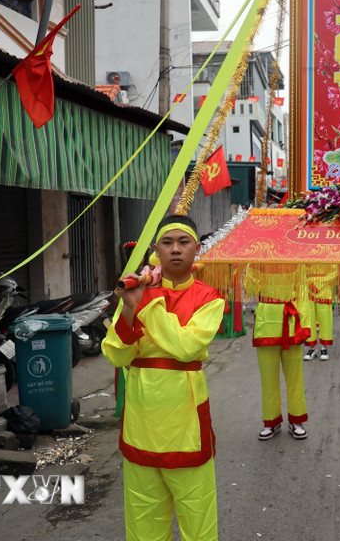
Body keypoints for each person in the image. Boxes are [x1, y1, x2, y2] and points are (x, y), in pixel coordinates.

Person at [103, 215, 226, 541]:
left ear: (196, 249)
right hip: (141, 423)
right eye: (167, 243)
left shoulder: (210, 298)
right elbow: (117, 355)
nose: (175, 249)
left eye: (183, 242)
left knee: (198, 525)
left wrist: (148, 302)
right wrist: (129, 308)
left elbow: (185, 348)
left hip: (186, 424)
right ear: (156, 251)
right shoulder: (139, 293)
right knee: (143, 526)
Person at [244, 261, 312, 440]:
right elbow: (251, 290)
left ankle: (297, 420)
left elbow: (302, 291)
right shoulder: (258, 261)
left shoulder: (296, 261)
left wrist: (304, 324)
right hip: (266, 322)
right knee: (268, 377)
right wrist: (253, 267)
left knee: (295, 376)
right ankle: (271, 421)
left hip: (291, 320)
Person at [304, 264, 338, 361]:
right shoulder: (304, 255)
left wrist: (319, 284)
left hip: (324, 289)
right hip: (308, 289)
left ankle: (324, 348)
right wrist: (308, 283)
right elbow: (300, 270)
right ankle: (311, 348)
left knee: (325, 319)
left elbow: (334, 272)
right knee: (309, 319)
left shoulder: (329, 256)